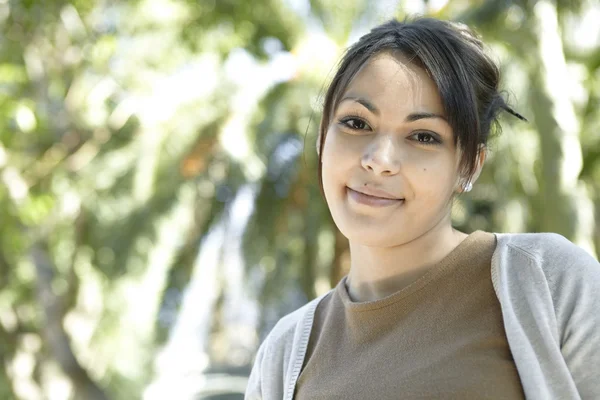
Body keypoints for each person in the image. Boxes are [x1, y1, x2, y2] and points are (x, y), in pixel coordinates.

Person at [245, 16, 600, 400]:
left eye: (423, 136)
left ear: (469, 166)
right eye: (356, 123)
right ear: (322, 139)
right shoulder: (283, 354)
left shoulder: (550, 280)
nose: (379, 160)